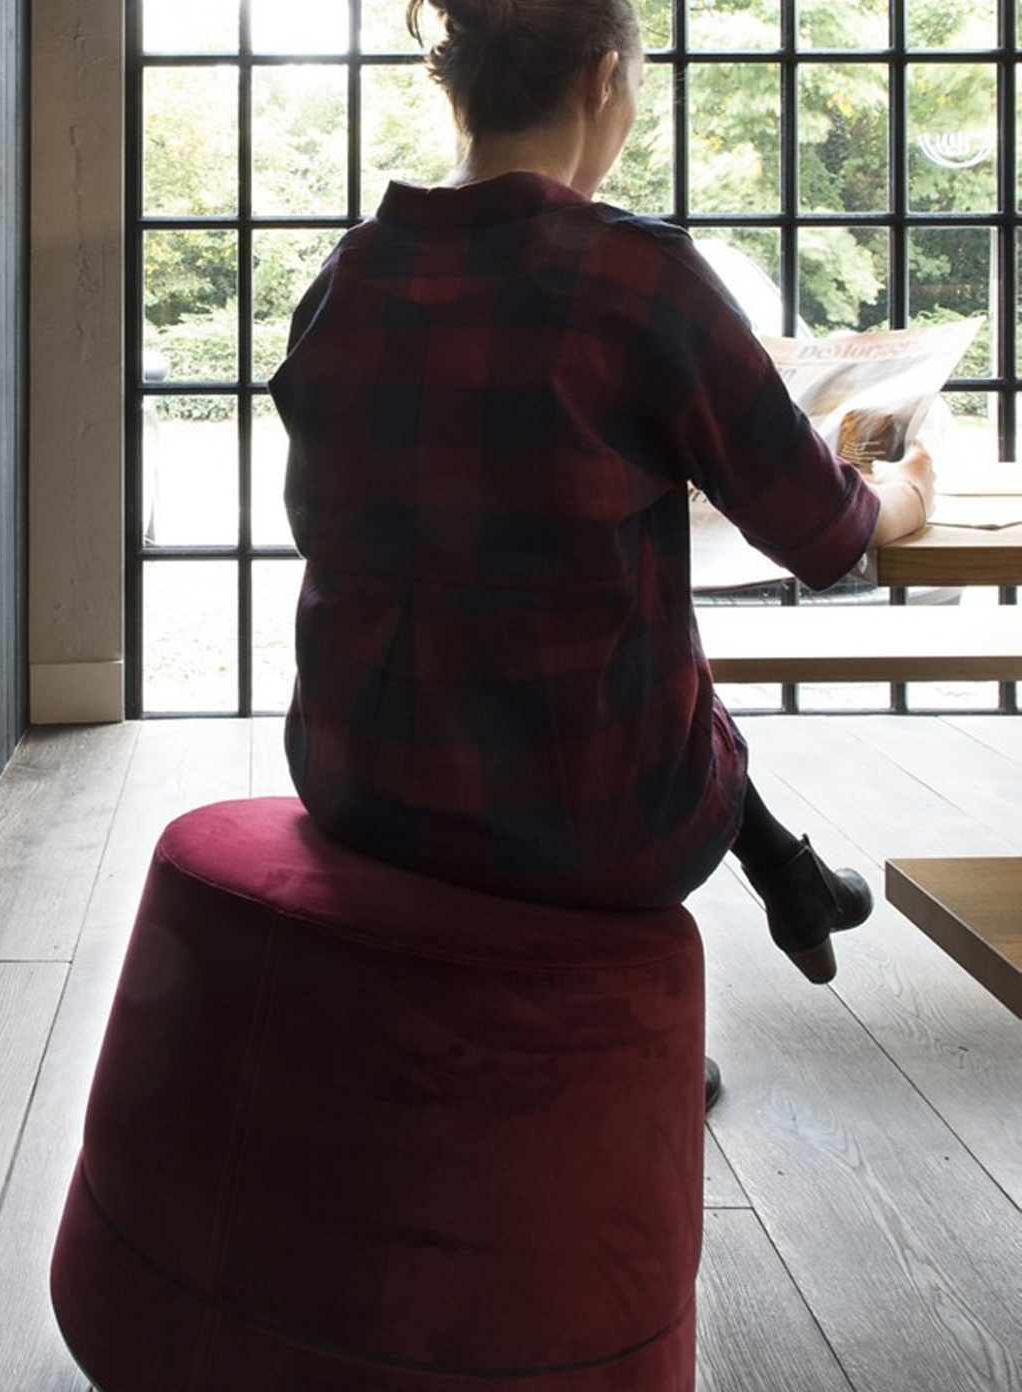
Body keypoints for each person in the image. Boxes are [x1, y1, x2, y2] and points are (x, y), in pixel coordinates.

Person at [269, 0, 935, 1016]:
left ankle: (783, 880)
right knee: (633, 657)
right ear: (599, 82)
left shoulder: (345, 275)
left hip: (358, 775)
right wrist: (905, 492)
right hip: (586, 819)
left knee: (573, 618)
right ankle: (613, 1048)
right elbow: (824, 535)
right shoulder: (638, 274)